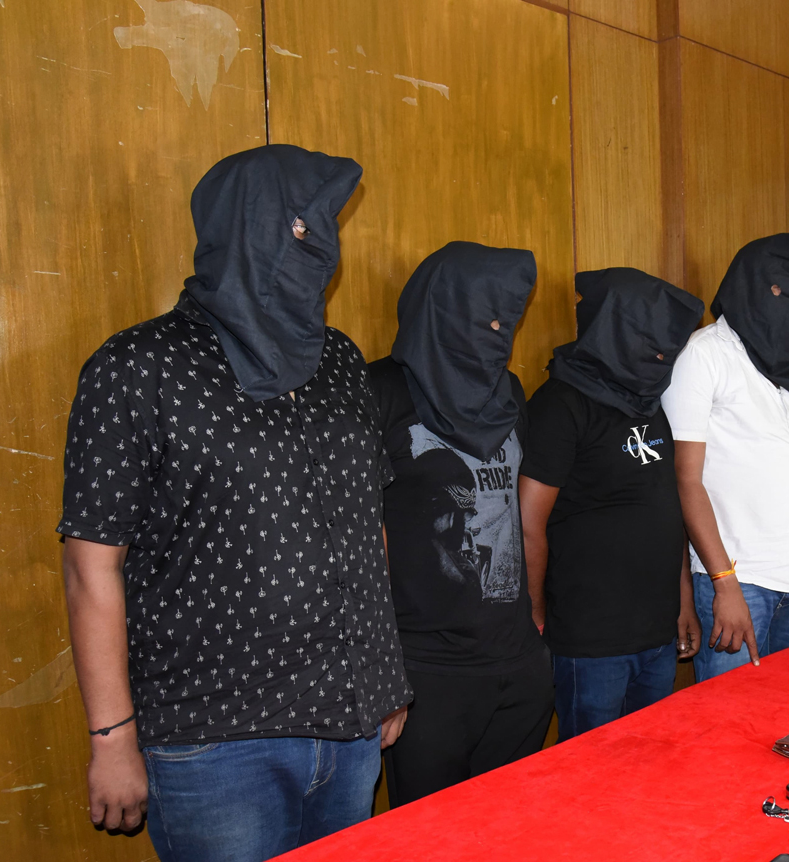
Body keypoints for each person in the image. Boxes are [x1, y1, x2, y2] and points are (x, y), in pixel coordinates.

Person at [59, 145, 412, 862]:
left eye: (326, 228)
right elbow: (90, 566)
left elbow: (365, 525)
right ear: (245, 228)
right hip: (214, 743)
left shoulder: (340, 360)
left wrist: (384, 677)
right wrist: (112, 738)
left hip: (348, 725)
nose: (322, 249)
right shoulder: (138, 367)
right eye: (301, 229)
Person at [369, 241, 553, 805]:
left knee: (512, 830)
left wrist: (534, 620)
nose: (498, 334)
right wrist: (381, 669)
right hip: (427, 672)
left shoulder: (508, 391)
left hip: (516, 662)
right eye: (484, 320)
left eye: (506, 323)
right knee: (428, 836)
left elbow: (521, 512)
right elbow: (361, 539)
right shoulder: (381, 390)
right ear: (442, 310)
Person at [519, 267, 705, 739]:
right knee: (591, 766)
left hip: (657, 631)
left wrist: (683, 601)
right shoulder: (560, 404)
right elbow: (527, 523)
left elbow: (667, 509)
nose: (661, 358)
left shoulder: (650, 401)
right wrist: (534, 614)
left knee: (651, 762)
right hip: (591, 639)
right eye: (652, 345)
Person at [662, 226, 789, 681]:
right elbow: (685, 478)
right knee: (730, 712)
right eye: (774, 289)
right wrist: (724, 584)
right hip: (737, 578)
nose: (784, 299)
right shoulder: (703, 356)